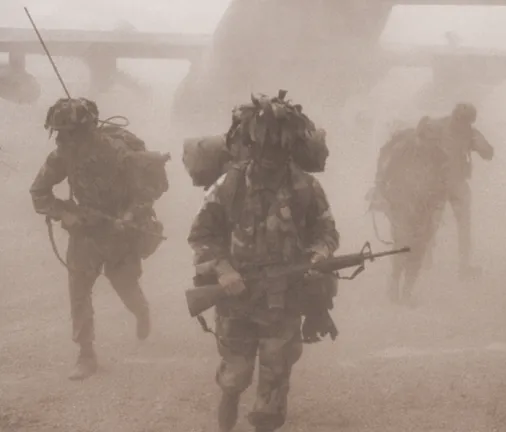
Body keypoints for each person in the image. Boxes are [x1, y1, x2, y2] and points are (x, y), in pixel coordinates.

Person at [187, 92, 339, 432]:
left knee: (274, 382)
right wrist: (223, 270)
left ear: (290, 148)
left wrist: (318, 256)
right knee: (235, 377)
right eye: (264, 148)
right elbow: (201, 236)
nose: (271, 157)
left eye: (279, 149)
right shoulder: (228, 185)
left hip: (283, 302)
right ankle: (227, 413)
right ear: (250, 146)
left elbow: (326, 232)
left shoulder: (306, 188)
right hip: (235, 299)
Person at [29, 97, 167, 381]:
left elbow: (149, 189)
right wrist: (66, 215)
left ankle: (141, 311)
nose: (65, 140)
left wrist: (130, 216)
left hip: (121, 231)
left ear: (88, 128)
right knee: (79, 291)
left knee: (125, 284)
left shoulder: (120, 150)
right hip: (85, 233)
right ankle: (86, 355)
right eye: (61, 134)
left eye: (71, 133)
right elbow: (39, 192)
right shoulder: (63, 155)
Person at [369, 116, 448, 305]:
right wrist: (382, 196)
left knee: (419, 249)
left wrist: (437, 209)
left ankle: (407, 291)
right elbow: (383, 176)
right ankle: (395, 281)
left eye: (436, 140)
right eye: (430, 139)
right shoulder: (402, 150)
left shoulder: (440, 156)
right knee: (402, 245)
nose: (433, 144)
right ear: (421, 136)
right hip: (400, 203)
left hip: (426, 208)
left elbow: (443, 186)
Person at [434, 102, 494, 280]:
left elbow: (488, 153)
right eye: (461, 120)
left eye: (466, 121)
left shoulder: (468, 132)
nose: (462, 124)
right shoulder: (439, 127)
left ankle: (463, 266)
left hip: (455, 184)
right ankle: (425, 259)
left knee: (463, 227)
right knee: (431, 223)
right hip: (438, 184)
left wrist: (479, 144)